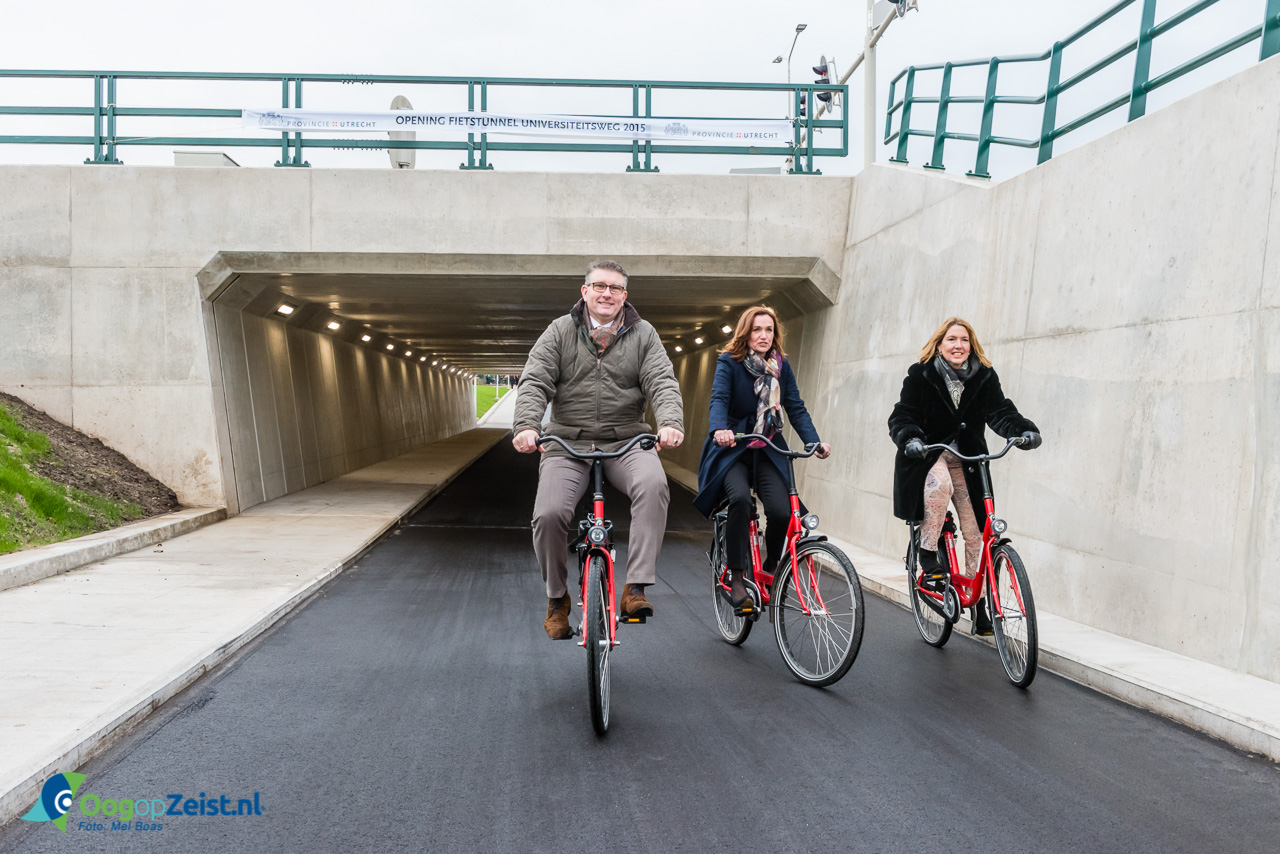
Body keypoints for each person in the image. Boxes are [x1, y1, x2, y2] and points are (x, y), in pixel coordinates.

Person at [513, 260, 685, 640]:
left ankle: (635, 587)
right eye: (599, 286)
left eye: (615, 288)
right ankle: (557, 598)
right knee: (549, 513)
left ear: (625, 296)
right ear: (585, 291)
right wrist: (526, 425)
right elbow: (535, 379)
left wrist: (670, 422)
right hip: (568, 443)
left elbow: (662, 380)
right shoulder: (559, 331)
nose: (606, 293)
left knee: (654, 485)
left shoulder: (643, 334)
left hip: (627, 440)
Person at [887, 317, 1041, 633]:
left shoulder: (983, 376)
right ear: (939, 344)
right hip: (930, 457)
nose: (959, 346)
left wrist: (1023, 431)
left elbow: (1001, 412)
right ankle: (929, 556)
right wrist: (911, 438)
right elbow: (902, 415)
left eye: (964, 340)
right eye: (952, 340)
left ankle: (982, 603)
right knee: (939, 485)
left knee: (979, 533)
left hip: (968, 461)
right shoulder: (921, 376)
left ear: (971, 345)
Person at [693, 306, 829, 611]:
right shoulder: (730, 362)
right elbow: (719, 399)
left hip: (767, 446)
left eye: (768, 330)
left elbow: (795, 406)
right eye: (757, 330)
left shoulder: (781, 366)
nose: (763, 335)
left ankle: (769, 567)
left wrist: (814, 441)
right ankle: (739, 577)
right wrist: (719, 429)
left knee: (783, 512)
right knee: (741, 499)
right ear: (746, 333)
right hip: (733, 448)